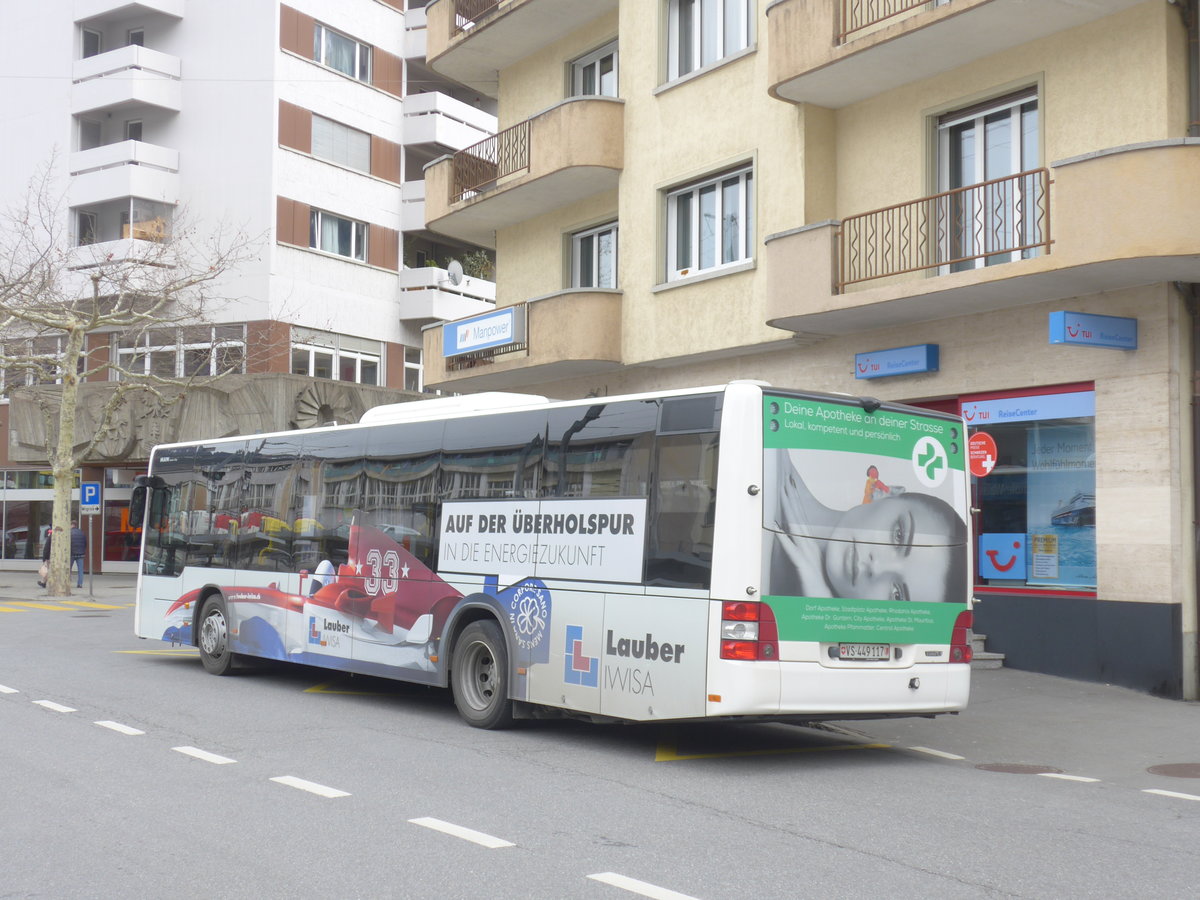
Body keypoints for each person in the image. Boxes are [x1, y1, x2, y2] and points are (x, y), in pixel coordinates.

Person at [766, 449, 967, 604]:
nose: (877, 567)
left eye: (897, 594)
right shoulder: (766, 462)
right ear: (887, 493)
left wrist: (821, 609)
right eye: (898, 536)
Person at [70, 521, 87, 589]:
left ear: (71, 525)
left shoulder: (69, 532)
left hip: (71, 554)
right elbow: (85, 543)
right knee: (80, 570)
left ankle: (68, 582)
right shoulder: (82, 533)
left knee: (68, 569)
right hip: (80, 554)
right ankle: (80, 584)